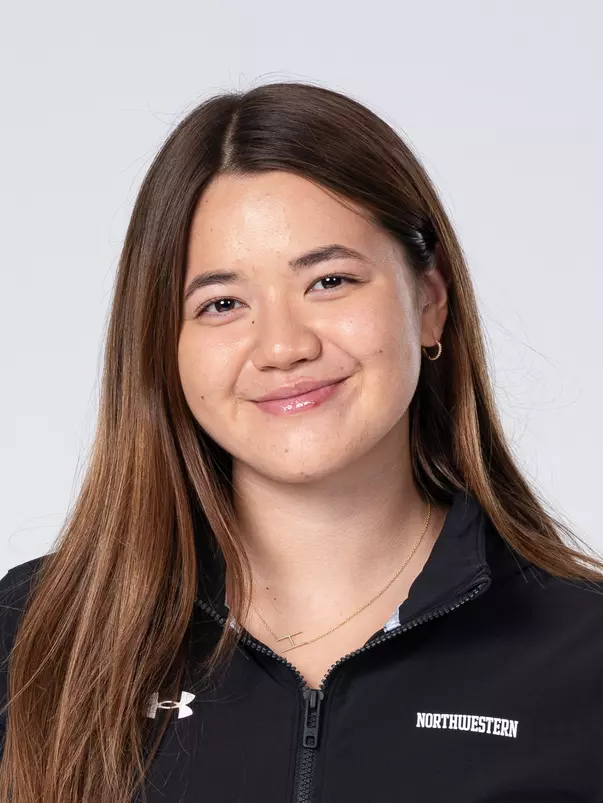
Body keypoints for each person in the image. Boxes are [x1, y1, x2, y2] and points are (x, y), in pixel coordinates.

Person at [1, 81, 602, 803]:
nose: (283, 346)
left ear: (429, 303)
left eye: (329, 280)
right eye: (222, 303)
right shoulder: (34, 637)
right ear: (165, 345)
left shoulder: (584, 655)